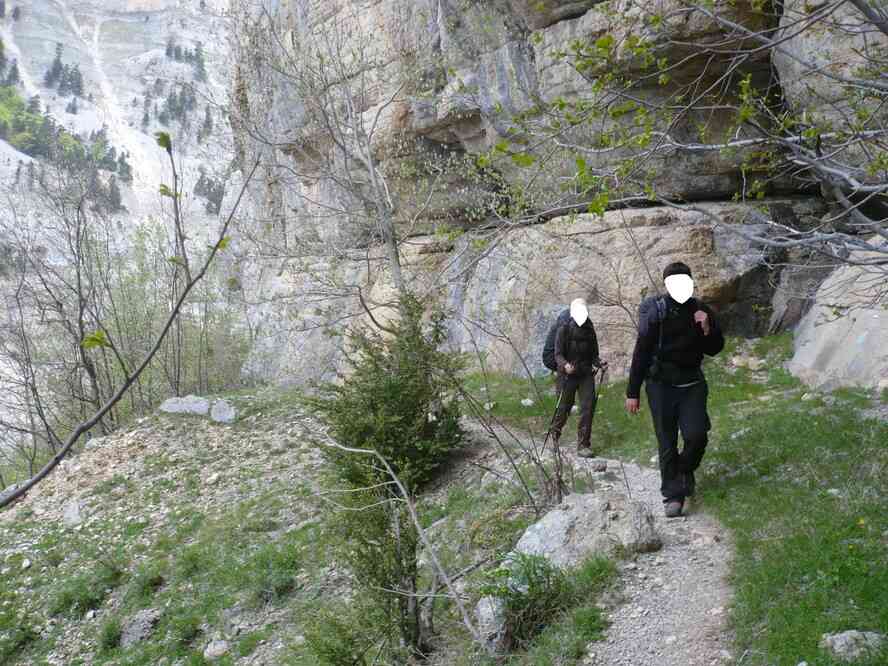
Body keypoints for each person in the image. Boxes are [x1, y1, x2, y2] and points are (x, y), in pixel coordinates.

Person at [625, 262, 725, 517]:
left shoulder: (701, 310)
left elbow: (715, 348)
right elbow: (642, 351)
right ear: (667, 285)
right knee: (667, 441)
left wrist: (706, 328)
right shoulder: (655, 311)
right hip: (660, 386)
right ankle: (674, 496)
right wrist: (632, 392)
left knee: (697, 435)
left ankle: (682, 471)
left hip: (691, 383)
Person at [550, 297, 607, 458]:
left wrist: (600, 362)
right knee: (563, 408)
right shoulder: (564, 329)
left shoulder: (590, 329)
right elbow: (558, 354)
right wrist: (565, 365)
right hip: (567, 376)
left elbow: (593, 355)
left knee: (588, 408)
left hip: (585, 374)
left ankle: (583, 445)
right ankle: (554, 436)